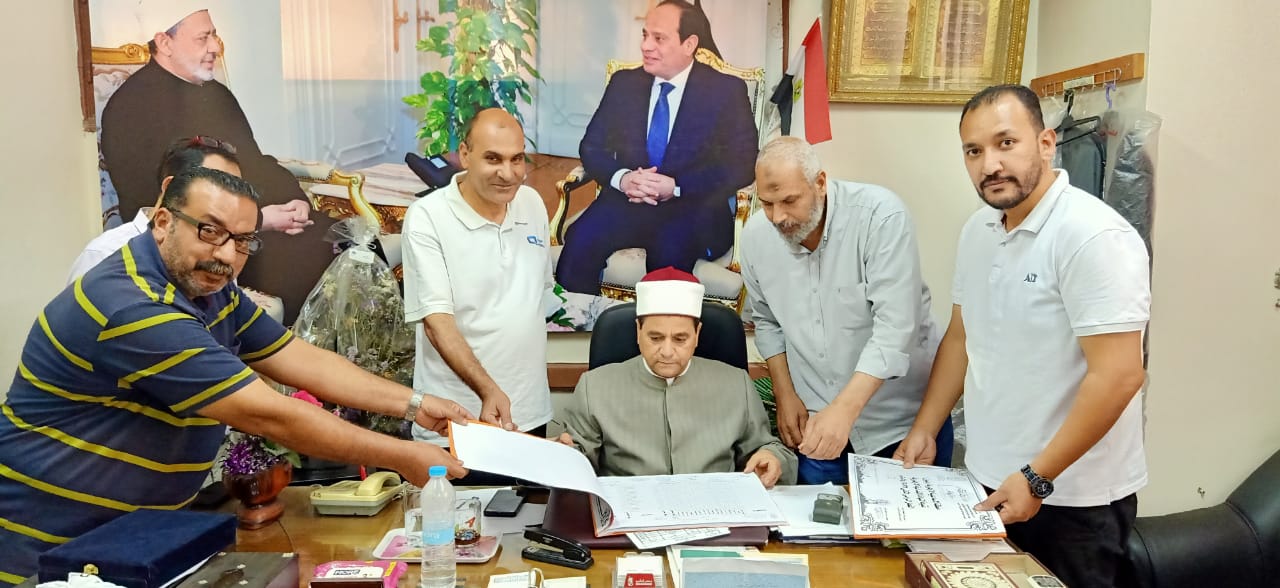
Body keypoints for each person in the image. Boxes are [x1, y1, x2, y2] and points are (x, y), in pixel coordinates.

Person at [0, 166, 473, 582]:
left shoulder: (209, 290)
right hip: (51, 548)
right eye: (210, 231)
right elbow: (270, 415)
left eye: (243, 241)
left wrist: (416, 404)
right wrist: (403, 455)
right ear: (162, 221)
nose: (226, 255)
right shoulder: (131, 306)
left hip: (135, 538)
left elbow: (298, 358)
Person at [894, 84, 1150, 588]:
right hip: (988, 480)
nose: (989, 164)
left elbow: (1119, 376)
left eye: (1005, 143)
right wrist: (926, 426)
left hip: (1073, 501)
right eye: (973, 151)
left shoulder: (1093, 235)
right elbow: (961, 339)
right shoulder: (978, 230)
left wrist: (1037, 477)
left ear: (1047, 143)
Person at [99, 3, 332, 325]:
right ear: (165, 43)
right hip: (198, 242)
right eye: (203, 38)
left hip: (253, 226)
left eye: (214, 36)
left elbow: (254, 161)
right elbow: (154, 203)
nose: (215, 47)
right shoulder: (130, 108)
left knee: (344, 241)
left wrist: (295, 200)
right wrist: (259, 220)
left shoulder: (216, 94)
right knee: (307, 259)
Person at [739, 136, 949, 486]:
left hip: (899, 423)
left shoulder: (880, 217)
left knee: (909, 520)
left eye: (790, 201)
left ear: (820, 183)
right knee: (816, 519)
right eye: (767, 203)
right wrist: (785, 393)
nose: (778, 217)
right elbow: (767, 319)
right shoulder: (756, 237)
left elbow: (895, 329)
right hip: (815, 422)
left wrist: (844, 410)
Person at [554, 0, 758, 294]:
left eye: (659, 38)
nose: (646, 46)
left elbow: (742, 162)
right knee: (581, 242)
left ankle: (658, 325)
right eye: (645, 35)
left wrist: (676, 186)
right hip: (627, 201)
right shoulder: (624, 83)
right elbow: (592, 147)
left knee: (669, 255)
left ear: (689, 44)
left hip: (692, 208)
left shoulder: (725, 90)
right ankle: (580, 321)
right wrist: (623, 178)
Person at [401, 109, 553, 454]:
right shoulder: (428, 217)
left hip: (529, 416)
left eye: (517, 159)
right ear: (464, 155)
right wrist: (488, 390)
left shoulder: (531, 204)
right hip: (456, 421)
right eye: (493, 159)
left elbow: (530, 301)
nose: (508, 174)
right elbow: (437, 324)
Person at [558, 267, 796, 488]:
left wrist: (772, 457)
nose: (667, 351)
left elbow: (768, 448)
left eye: (680, 339)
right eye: (655, 338)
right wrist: (562, 455)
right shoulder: (595, 387)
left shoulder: (736, 384)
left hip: (714, 508)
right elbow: (577, 459)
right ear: (638, 331)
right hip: (628, 511)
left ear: (697, 334)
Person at [68, 136, 311, 283]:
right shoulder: (105, 257)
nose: (228, 255)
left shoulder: (222, 252)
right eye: (218, 187)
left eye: (237, 188)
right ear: (171, 189)